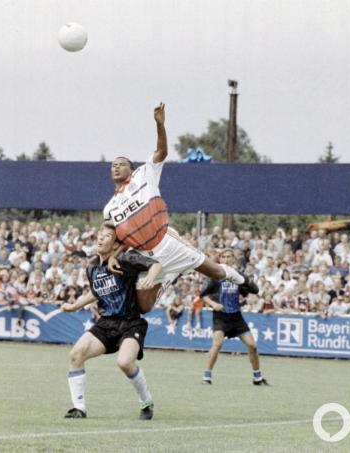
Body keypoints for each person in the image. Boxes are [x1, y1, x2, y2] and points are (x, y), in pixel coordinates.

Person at [104, 103, 251, 311]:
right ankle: (169, 276)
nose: (116, 166)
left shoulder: (145, 174)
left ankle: (243, 281)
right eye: (113, 165)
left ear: (131, 168)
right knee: (144, 308)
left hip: (167, 242)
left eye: (121, 163)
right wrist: (112, 255)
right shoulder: (110, 208)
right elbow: (118, 240)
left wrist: (160, 125)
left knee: (216, 272)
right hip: (146, 257)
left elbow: (162, 151)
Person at [61, 224, 162, 420]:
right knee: (76, 354)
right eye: (99, 234)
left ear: (116, 243)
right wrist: (74, 306)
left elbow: (156, 264)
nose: (100, 238)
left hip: (130, 322)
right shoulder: (92, 267)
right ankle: (79, 408)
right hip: (106, 323)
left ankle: (146, 402)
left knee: (124, 363)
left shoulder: (126, 259)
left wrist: (150, 277)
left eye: (107, 236)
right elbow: (95, 292)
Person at [200, 249, 268, 386]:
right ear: (220, 259)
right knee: (217, 344)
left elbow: (248, 292)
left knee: (252, 346)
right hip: (220, 316)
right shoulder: (214, 275)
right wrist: (214, 304)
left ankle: (257, 378)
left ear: (233, 259)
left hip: (236, 317)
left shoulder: (238, 276)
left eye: (229, 256)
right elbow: (203, 295)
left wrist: (249, 296)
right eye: (223, 257)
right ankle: (206, 376)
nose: (226, 259)